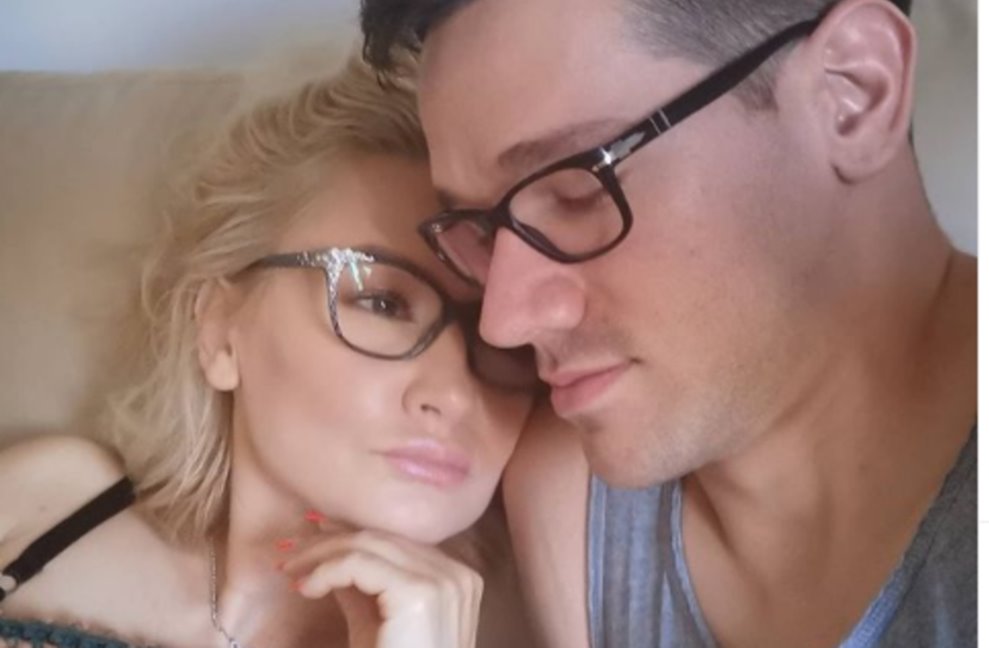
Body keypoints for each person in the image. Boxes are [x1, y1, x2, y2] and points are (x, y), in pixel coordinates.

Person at [358, 0, 976, 646]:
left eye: (577, 190)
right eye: (481, 232)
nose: (504, 321)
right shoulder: (570, 501)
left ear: (856, 91)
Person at [0, 53, 539, 648]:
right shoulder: (51, 503)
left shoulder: (554, 626)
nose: (454, 394)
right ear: (219, 329)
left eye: (498, 336)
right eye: (383, 302)